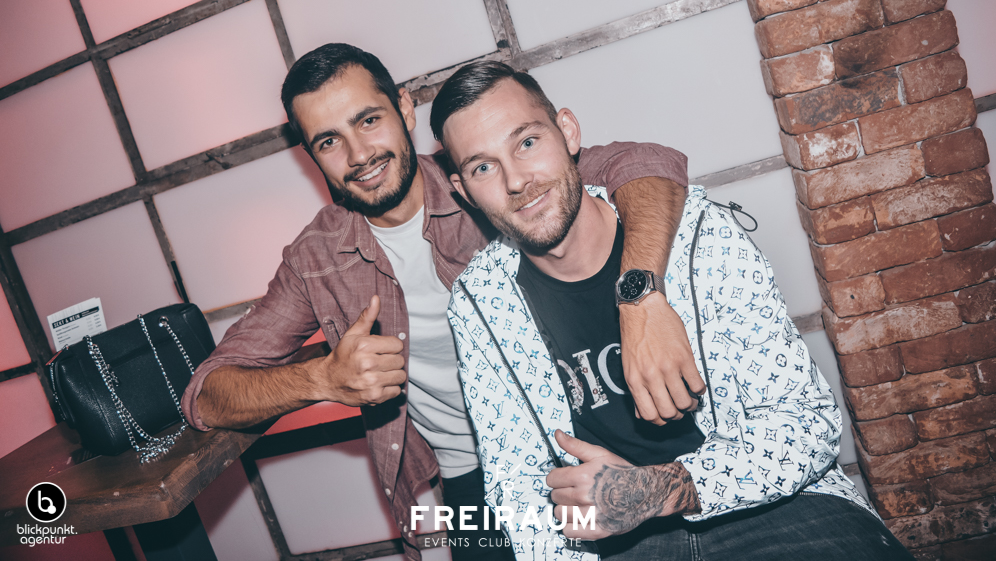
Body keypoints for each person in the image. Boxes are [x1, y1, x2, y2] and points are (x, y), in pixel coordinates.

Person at [180, 43, 700, 561]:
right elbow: (207, 394)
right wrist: (321, 379)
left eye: (368, 120)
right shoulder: (317, 259)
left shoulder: (481, 175)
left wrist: (640, 298)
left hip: (584, 439)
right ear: (311, 155)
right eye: (330, 141)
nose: (359, 155)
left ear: (405, 109)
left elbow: (648, 164)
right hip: (471, 478)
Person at [434, 60, 915, 560]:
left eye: (528, 142)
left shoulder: (698, 235)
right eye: (483, 167)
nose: (516, 180)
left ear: (569, 132)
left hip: (770, 507)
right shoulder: (480, 302)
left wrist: (660, 490)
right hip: (618, 543)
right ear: (464, 191)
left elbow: (807, 422)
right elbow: (517, 485)